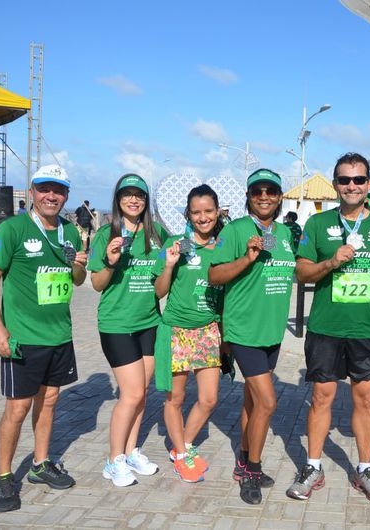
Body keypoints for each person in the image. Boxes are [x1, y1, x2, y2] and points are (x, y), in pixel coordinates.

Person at [286, 153, 370, 503]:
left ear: (368, 184)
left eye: (358, 180)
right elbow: (301, 272)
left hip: (367, 329)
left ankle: (365, 469)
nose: (351, 186)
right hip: (326, 327)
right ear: (336, 184)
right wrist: (330, 261)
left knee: (365, 399)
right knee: (322, 397)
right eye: (344, 180)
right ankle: (312, 466)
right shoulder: (319, 225)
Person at [0, 165, 86, 512]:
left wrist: (79, 265)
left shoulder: (70, 232)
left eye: (58, 190)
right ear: (33, 191)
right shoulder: (13, 228)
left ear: (67, 195)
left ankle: (40, 465)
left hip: (59, 334)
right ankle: (3, 476)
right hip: (23, 337)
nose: (51, 196)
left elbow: (77, 279)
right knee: (18, 407)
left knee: (51, 400)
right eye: (44, 189)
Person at [209, 169, 295, 504]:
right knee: (269, 402)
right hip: (244, 330)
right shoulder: (235, 230)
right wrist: (246, 258)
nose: (264, 196)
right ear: (248, 196)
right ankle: (253, 471)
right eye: (257, 191)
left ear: (279, 196)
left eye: (271, 191)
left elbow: (293, 267)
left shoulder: (284, 233)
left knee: (252, 400)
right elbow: (214, 275)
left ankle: (243, 460)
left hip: (271, 331)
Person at [88, 173, 167, 487]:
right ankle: (113, 460)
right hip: (117, 324)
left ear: (146, 201)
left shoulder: (157, 233)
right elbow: (96, 284)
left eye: (139, 195)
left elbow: (162, 283)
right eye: (127, 195)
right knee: (131, 394)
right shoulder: (108, 233)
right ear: (118, 200)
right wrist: (109, 261)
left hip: (150, 322)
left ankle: (132, 451)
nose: (133, 200)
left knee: (142, 393)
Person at [153, 184, 224, 484]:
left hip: (208, 330)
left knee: (208, 399)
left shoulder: (224, 245)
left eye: (208, 211)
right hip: (176, 331)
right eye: (196, 212)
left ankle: (183, 445)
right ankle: (182, 453)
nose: (203, 217)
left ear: (218, 212)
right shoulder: (176, 244)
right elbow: (158, 291)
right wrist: (169, 265)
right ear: (188, 214)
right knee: (176, 399)